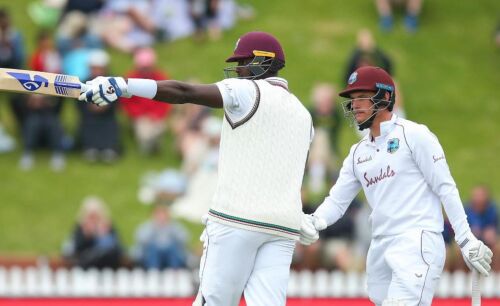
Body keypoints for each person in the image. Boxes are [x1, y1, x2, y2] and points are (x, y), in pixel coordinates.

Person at [79, 31, 314, 306]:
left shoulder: (247, 91)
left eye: (243, 62)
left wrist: (123, 85)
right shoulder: (303, 114)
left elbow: (184, 92)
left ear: (262, 62)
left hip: (238, 219)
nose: (238, 70)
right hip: (283, 226)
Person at [299, 66, 493, 306]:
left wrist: (466, 240)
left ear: (385, 97)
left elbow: (446, 187)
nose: (355, 105)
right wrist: (314, 221)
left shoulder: (414, 135)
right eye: (352, 99)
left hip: (417, 240)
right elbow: (337, 201)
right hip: (380, 244)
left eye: (362, 97)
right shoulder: (358, 153)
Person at [121, 48, 172, 155]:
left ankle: (155, 147)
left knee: (158, 129)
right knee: (144, 132)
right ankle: (147, 150)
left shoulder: (161, 78)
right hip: (140, 116)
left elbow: (166, 100)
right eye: (144, 67)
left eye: (148, 67)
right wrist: (140, 115)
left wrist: (157, 114)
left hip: (156, 115)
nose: (146, 70)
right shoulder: (130, 79)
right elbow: (127, 102)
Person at [77, 49, 121, 163]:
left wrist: (106, 106)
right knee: (88, 123)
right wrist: (90, 107)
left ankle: (109, 148)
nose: (96, 71)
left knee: (110, 124)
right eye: (94, 68)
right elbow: (79, 103)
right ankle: (90, 148)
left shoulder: (113, 83)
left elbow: (117, 103)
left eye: (99, 68)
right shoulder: (84, 83)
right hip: (89, 115)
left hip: (107, 115)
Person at [62, 196, 123, 269]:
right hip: (85, 266)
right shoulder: (80, 228)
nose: (94, 221)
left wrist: (104, 236)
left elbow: (120, 250)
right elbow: (74, 250)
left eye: (96, 216)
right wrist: (87, 236)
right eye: (91, 217)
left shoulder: (108, 227)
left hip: (107, 267)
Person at [132, 203, 189, 269]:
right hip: (152, 254)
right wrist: (154, 228)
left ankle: (174, 270)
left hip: (171, 253)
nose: (161, 217)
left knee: (173, 248)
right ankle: (153, 270)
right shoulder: (147, 226)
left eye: (163, 214)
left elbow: (184, 239)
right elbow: (141, 240)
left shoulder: (174, 226)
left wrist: (170, 228)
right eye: (159, 214)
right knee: (153, 248)